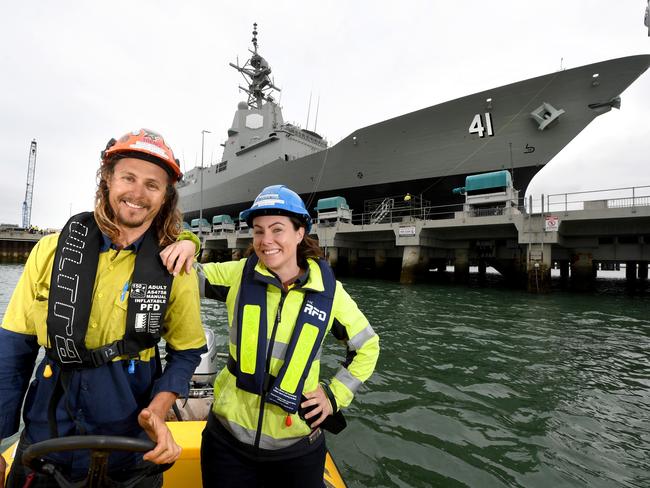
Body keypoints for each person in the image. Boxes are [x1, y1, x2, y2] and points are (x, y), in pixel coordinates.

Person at [0, 129, 207, 488]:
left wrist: (158, 411)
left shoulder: (175, 267)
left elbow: (186, 352)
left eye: (152, 185)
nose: (138, 194)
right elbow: (12, 353)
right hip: (46, 438)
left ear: (165, 197)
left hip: (130, 447)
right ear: (108, 179)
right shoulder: (49, 251)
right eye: (128, 177)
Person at [161, 184, 380, 488]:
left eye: (278, 230)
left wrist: (334, 396)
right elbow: (183, 274)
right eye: (259, 231)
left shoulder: (330, 295)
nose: (266, 241)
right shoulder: (238, 275)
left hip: (297, 450)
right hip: (227, 443)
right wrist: (188, 242)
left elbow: (367, 346)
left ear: (300, 232)